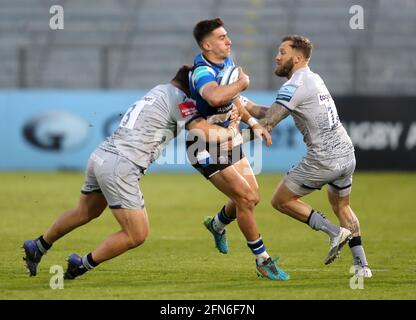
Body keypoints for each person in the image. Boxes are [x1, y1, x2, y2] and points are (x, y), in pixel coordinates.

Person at [22, 65, 242, 280]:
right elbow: (205, 133)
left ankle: (38, 245)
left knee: (84, 212)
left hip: (102, 155)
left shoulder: (158, 90)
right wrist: (232, 130)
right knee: (136, 234)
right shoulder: (181, 100)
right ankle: (81, 264)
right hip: (122, 164)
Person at [259, 35, 372, 277]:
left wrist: (230, 136)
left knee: (280, 200)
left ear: (297, 57)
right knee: (342, 206)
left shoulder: (295, 84)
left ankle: (334, 233)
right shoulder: (314, 78)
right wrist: (246, 107)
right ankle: (362, 266)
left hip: (324, 158)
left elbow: (269, 121)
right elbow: (275, 112)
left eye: (282, 52)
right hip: (346, 153)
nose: (277, 57)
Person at [187, 17, 289, 280]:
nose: (228, 40)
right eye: (222, 37)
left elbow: (233, 102)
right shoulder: (202, 71)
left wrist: (254, 121)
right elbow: (215, 96)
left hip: (228, 140)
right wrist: (242, 84)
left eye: (227, 35)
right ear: (206, 45)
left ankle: (217, 224)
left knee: (252, 196)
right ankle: (263, 261)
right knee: (244, 198)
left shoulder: (227, 64)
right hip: (204, 144)